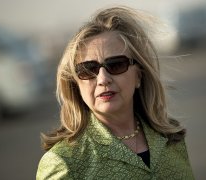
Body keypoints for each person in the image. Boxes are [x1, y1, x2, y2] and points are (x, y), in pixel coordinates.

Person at [36, 6, 194, 179]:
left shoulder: (171, 138)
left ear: (139, 75)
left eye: (116, 64)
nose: (103, 79)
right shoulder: (64, 161)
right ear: (76, 83)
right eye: (88, 70)